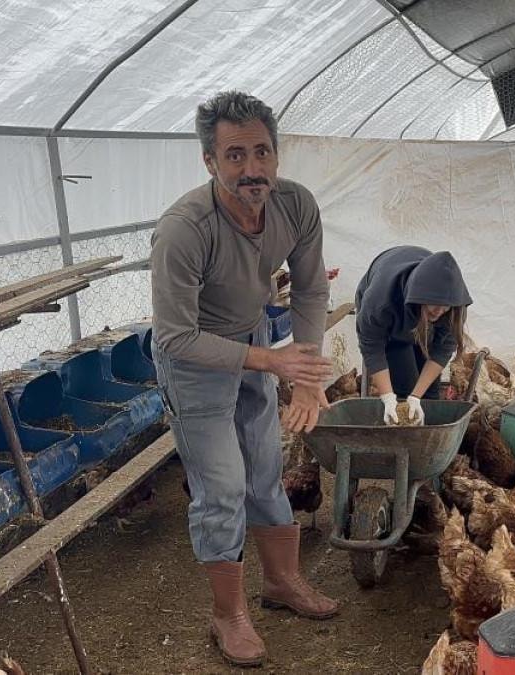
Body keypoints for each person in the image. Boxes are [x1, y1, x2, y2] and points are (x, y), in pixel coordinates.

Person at [150, 91, 339, 667]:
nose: (252, 168)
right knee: (223, 487)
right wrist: (272, 362)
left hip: (252, 339)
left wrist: (306, 377)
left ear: (276, 154)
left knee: (264, 469)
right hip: (193, 361)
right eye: (235, 155)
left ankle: (281, 582)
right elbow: (174, 336)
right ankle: (227, 614)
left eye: (262, 152)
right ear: (210, 161)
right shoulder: (184, 230)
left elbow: (311, 289)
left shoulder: (295, 205)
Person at [354, 246, 471, 424]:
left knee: (429, 394)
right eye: (435, 304)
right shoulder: (380, 301)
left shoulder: (453, 306)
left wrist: (416, 397)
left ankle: (429, 434)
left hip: (421, 319)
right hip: (391, 314)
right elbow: (372, 347)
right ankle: (403, 433)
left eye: (445, 306)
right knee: (404, 384)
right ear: (422, 294)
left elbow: (442, 350)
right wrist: (388, 398)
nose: (440, 310)